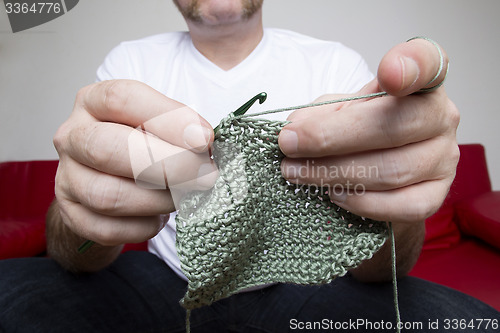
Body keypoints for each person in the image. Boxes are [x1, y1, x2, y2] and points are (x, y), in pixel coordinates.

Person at [0, 1, 498, 332]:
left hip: (305, 286)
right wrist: (86, 210)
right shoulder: (128, 62)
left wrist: (392, 200)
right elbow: (75, 250)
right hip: (165, 277)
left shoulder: (335, 65)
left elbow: (379, 271)